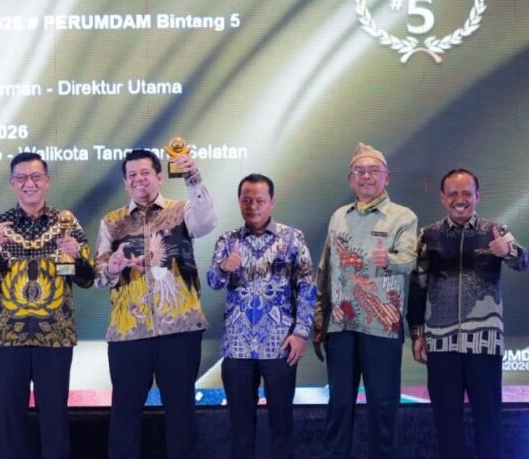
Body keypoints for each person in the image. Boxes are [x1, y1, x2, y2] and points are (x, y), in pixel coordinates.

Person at [0, 152, 93, 459]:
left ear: (47, 181)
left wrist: (77, 256)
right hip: (7, 337)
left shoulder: (67, 223)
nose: (29, 183)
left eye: (36, 177)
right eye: (21, 178)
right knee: (9, 423)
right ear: (12, 183)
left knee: (55, 421)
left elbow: (87, 279)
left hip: (55, 336)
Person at [94, 148, 215, 459]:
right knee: (124, 416)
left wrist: (192, 176)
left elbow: (206, 223)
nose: (139, 179)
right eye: (132, 175)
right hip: (128, 333)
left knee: (181, 413)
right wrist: (112, 268)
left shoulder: (181, 211)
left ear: (159, 177)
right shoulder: (112, 222)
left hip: (180, 329)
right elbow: (99, 277)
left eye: (145, 172)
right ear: (125, 183)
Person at [409, 168, 527, 459]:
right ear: (442, 197)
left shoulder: (495, 231)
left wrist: (507, 250)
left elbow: (524, 261)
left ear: (477, 196)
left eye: (466, 193)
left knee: (489, 422)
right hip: (441, 344)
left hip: (484, 345)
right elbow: (418, 285)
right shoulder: (428, 235)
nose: (460, 200)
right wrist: (417, 333)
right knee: (447, 424)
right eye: (453, 194)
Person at [313, 143, 417, 459]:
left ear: (387, 177)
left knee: (383, 408)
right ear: (351, 179)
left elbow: (411, 260)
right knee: (339, 406)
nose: (367, 176)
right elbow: (325, 270)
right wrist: (319, 320)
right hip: (340, 326)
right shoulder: (338, 217)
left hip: (381, 327)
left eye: (374, 171)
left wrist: (390, 260)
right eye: (360, 171)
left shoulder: (402, 216)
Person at [207, 174, 316, 459]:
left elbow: (307, 286)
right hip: (237, 348)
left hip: (280, 345)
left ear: (272, 202)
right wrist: (224, 267)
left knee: (282, 425)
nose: (253, 206)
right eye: (247, 200)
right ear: (239, 202)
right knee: (240, 429)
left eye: (259, 200)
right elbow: (213, 283)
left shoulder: (292, 238)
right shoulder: (227, 240)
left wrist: (301, 332)